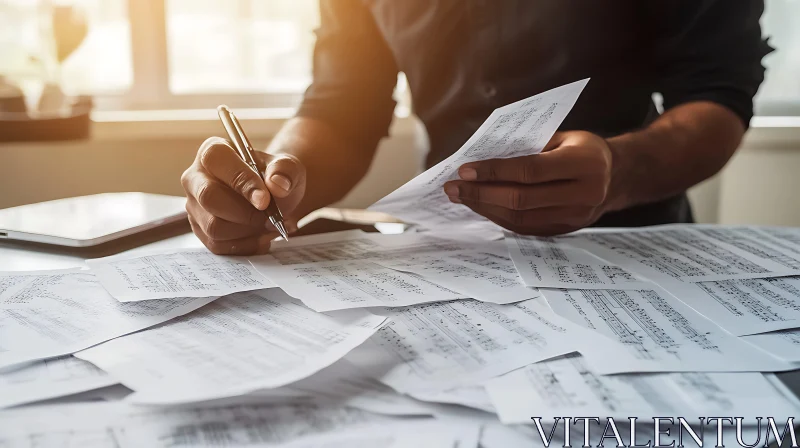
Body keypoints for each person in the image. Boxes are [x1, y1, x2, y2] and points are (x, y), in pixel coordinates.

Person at [181, 0, 771, 255]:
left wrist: (618, 173)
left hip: (626, 251)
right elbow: (341, 104)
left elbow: (717, 94)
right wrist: (276, 174)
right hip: (442, 256)